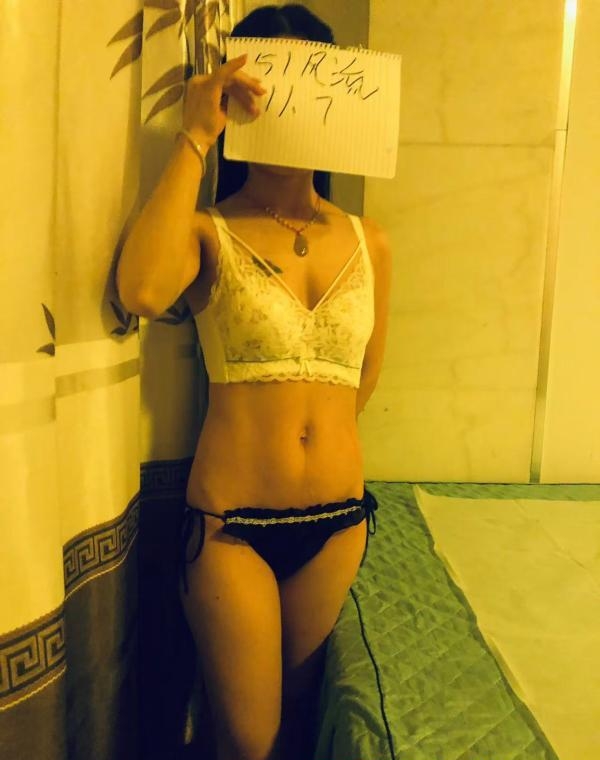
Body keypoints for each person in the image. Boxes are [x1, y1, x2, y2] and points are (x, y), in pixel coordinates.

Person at [117, 5, 391, 759]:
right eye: (274, 86)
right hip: (231, 527)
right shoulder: (210, 229)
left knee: (299, 723)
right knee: (248, 741)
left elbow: (363, 378)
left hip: (338, 521)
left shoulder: (370, 241)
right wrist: (194, 136)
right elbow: (141, 290)